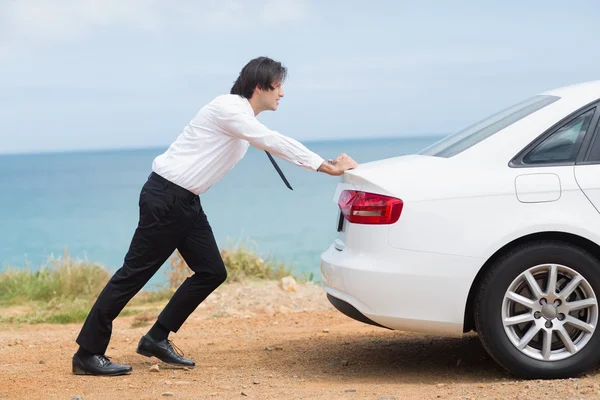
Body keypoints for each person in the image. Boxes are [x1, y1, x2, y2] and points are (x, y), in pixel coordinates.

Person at [71, 56, 358, 376]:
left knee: (211, 271)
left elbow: (263, 138)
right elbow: (273, 141)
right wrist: (326, 165)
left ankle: (156, 337)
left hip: (186, 202)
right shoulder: (228, 108)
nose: (282, 94)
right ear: (260, 86)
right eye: (278, 86)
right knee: (133, 275)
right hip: (166, 198)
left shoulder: (242, 117)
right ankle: (88, 353)